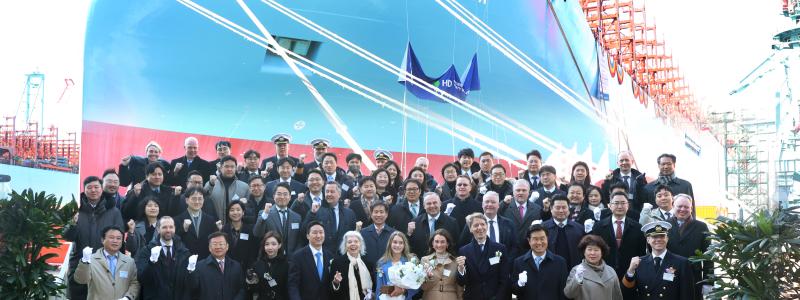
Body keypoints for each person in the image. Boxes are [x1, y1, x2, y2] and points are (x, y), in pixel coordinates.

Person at [64, 176, 125, 300]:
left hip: (105, 264)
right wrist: (72, 224)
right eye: (89, 187)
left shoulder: (113, 212)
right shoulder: (76, 210)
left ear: (102, 189)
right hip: (79, 262)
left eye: (96, 187)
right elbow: (67, 236)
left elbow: (119, 239)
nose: (93, 190)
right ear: (84, 190)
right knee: (78, 295)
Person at [622, 221, 694, 300]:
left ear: (667, 238)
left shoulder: (682, 263)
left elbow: (687, 295)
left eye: (662, 236)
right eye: (655, 237)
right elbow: (627, 292)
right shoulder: (639, 262)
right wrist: (630, 271)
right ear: (648, 240)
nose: (659, 239)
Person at [589, 192, 646, 289]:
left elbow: (641, 254)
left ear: (628, 205)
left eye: (623, 203)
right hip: (604, 274)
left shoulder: (637, 227)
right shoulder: (599, 226)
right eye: (616, 203)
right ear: (610, 206)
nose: (620, 206)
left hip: (629, 274)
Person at [135, 216, 192, 300]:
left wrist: (191, 271)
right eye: (164, 227)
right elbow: (142, 278)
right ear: (158, 229)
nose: (168, 230)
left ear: (175, 229)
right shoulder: (146, 251)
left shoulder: (184, 252)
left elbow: (189, 282)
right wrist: (152, 262)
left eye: (171, 227)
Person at [74, 226, 139, 300]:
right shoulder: (91, 259)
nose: (115, 241)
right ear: (102, 240)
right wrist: (85, 261)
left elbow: (135, 283)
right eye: (111, 237)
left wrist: (128, 297)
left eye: (118, 238)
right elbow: (81, 280)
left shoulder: (129, 261)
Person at [667, 194, 712, 299]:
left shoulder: (702, 227)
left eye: (686, 207)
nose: (683, 209)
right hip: (669, 275)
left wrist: (708, 283)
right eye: (679, 206)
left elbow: (708, 257)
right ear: (673, 206)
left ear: (691, 208)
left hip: (693, 278)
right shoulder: (665, 225)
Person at [456, 213, 510, 300]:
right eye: (476, 225)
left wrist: (498, 297)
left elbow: (504, 278)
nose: (480, 228)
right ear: (470, 229)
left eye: (482, 224)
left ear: (487, 226)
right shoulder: (464, 251)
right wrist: (461, 269)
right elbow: (461, 282)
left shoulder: (500, 248)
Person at [511, 223, 568, 300]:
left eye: (542, 238)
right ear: (529, 241)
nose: (539, 242)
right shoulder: (519, 262)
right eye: (535, 239)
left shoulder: (560, 262)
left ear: (547, 239)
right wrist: (520, 284)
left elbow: (563, 291)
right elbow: (514, 292)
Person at [187, 231, 246, 300]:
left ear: (227, 246)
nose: (218, 247)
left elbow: (242, 289)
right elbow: (192, 288)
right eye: (214, 244)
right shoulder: (200, 267)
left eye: (221, 244)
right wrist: (191, 270)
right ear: (209, 248)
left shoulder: (236, 266)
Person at [563, 235, 623, 300]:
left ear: (602, 252)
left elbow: (617, 296)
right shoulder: (576, 270)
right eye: (589, 249)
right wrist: (577, 280)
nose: (592, 253)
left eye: (596, 250)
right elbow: (569, 294)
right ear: (584, 252)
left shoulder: (611, 270)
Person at [304, 181, 357, 254]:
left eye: (332, 192)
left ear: (339, 194)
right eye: (327, 191)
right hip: (322, 254)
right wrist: (312, 213)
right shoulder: (316, 210)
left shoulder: (349, 213)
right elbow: (304, 230)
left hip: (343, 254)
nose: (329, 194)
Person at [254, 183, 304, 256]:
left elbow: (299, 240)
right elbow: (257, 233)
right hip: (271, 258)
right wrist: (265, 215)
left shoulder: (297, 217)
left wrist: (295, 255)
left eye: (285, 194)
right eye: (279, 194)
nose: (282, 197)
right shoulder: (264, 213)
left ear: (290, 197)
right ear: (274, 196)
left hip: (291, 260)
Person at [288, 220, 334, 300]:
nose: (318, 235)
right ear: (308, 236)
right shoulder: (298, 257)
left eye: (321, 232)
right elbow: (293, 284)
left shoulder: (330, 256)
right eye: (315, 232)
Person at [501, 179, 544, 259]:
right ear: (513, 192)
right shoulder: (504, 207)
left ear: (529, 192)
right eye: (518, 190)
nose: (521, 193)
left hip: (529, 252)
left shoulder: (537, 209)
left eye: (524, 190)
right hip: (509, 252)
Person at [409, 192, 459, 258]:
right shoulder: (415, 222)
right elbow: (411, 245)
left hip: (445, 263)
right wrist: (408, 233)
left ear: (440, 203)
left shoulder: (452, 222)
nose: (432, 206)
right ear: (424, 206)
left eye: (435, 203)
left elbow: (456, 245)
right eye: (428, 203)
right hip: (421, 263)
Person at [330, 231, 376, 300]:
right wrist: (336, 282)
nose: (353, 244)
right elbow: (331, 291)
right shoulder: (337, 263)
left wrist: (372, 295)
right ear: (345, 245)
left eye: (356, 241)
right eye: (349, 242)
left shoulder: (368, 263)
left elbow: (374, 287)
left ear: (360, 244)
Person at [175, 187, 219, 258]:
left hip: (205, 260)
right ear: (186, 200)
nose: (197, 201)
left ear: (203, 200)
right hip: (184, 259)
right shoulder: (177, 219)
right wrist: (183, 229)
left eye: (200, 199)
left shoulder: (210, 220)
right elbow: (175, 240)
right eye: (194, 199)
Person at [420, 229, 464, 300]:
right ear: (432, 244)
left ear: (447, 244)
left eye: (442, 242)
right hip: (430, 297)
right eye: (436, 242)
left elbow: (459, 286)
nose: (439, 245)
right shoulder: (425, 260)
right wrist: (429, 277)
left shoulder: (456, 261)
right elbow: (423, 287)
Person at [542, 195, 584, 268]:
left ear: (568, 209)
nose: (561, 211)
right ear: (551, 209)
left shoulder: (579, 228)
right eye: (557, 208)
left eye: (564, 207)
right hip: (549, 268)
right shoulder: (543, 228)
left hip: (573, 269)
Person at [204, 155, 249, 222]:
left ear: (236, 168)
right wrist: (210, 185)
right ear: (221, 168)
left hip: (237, 226)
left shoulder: (244, 186)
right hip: (215, 225)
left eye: (232, 167)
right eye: (226, 166)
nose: (229, 169)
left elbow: (249, 209)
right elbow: (203, 197)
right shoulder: (211, 184)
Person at [375, 232, 419, 299]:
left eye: (401, 243)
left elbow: (417, 285)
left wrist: (403, 291)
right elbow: (379, 287)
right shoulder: (381, 263)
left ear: (404, 245)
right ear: (390, 244)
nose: (397, 245)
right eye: (395, 242)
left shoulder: (411, 261)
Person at [247, 231, 290, 300]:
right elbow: (254, 290)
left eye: (273, 244)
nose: (270, 247)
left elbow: (288, 288)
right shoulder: (257, 265)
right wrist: (251, 281)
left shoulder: (286, 265)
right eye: (267, 244)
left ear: (279, 245)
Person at [222, 200, 258, 269]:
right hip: (228, 268)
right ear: (228, 213)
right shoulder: (224, 230)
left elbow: (253, 251)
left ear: (243, 212)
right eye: (232, 210)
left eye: (238, 210)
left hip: (245, 267)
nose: (235, 212)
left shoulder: (250, 230)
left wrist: (251, 268)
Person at [360, 202, 396, 266]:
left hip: (387, 270)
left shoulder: (393, 233)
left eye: (381, 212)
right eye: (376, 212)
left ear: (386, 214)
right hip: (367, 271)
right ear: (371, 214)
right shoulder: (363, 233)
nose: (378, 215)